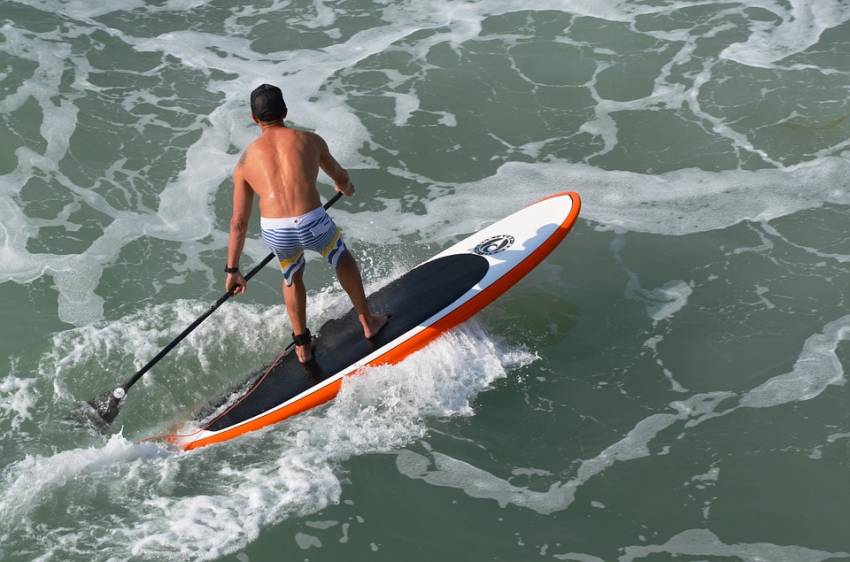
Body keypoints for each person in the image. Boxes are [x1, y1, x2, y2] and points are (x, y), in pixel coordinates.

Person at [224, 83, 388, 363]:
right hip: (313, 222)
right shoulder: (310, 140)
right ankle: (368, 321)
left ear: (254, 119)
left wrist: (233, 270)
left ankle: (302, 346)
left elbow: (238, 223)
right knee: (341, 258)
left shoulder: (245, 162)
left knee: (292, 276)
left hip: (277, 231)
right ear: (285, 111)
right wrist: (345, 186)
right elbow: (339, 176)